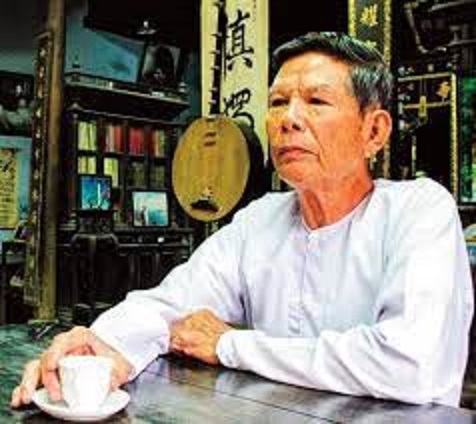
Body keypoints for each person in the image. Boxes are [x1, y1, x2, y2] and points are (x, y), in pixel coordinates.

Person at [11, 32, 474, 408]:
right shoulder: (262, 219)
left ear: (374, 131)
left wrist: (232, 344)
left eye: (316, 101)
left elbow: (408, 364)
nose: (288, 120)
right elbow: (171, 305)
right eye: (278, 102)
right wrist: (101, 347)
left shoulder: (419, 210)